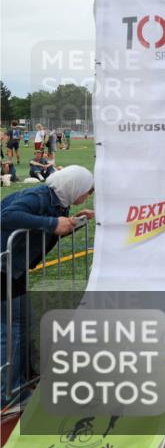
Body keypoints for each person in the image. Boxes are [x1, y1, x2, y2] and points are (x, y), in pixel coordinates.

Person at [1, 166, 95, 406]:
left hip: (14, 267)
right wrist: (53, 222)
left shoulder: (58, 203)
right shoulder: (39, 197)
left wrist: (74, 223)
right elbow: (7, 217)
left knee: (20, 322)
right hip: (3, 266)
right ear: (74, 186)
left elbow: (48, 233)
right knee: (12, 327)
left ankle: (17, 382)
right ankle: (9, 393)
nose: (88, 195)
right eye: (88, 190)